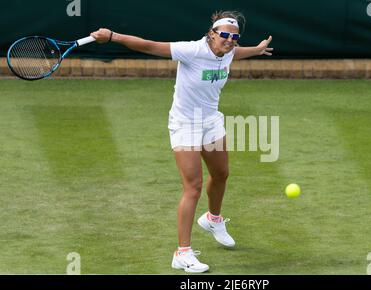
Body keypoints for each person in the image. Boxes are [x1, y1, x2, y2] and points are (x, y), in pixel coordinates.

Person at [91, 10, 273, 273]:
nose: (230, 40)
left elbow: (238, 52)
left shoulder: (229, 50)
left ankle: (212, 219)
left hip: (210, 121)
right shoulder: (191, 50)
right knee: (193, 187)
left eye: (235, 37)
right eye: (224, 35)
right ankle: (182, 253)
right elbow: (150, 46)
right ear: (211, 34)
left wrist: (256, 50)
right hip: (185, 124)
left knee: (221, 174)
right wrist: (112, 37)